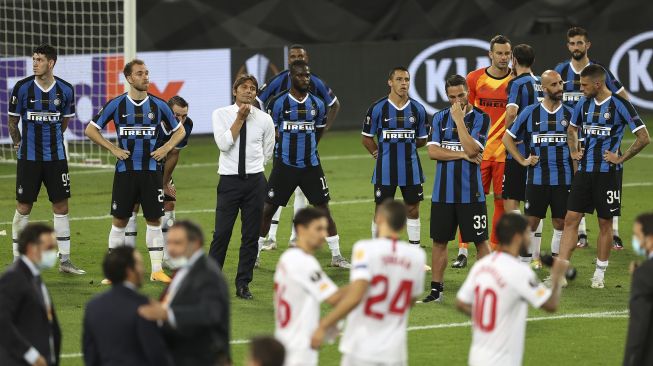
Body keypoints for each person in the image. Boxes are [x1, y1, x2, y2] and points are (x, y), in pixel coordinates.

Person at [85, 59, 186, 284]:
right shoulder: (117, 104)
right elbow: (91, 129)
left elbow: (179, 132)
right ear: (129, 78)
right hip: (125, 172)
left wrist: (165, 147)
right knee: (119, 221)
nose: (145, 77)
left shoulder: (159, 106)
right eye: (140, 73)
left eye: (147, 73)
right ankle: (114, 274)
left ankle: (157, 270)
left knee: (154, 221)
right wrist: (113, 148)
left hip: (151, 173)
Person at [559, 64, 650, 289]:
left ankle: (599, 274)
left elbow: (643, 137)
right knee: (571, 219)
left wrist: (620, 158)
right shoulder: (583, 103)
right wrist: (574, 152)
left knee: (604, 222)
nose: (581, 89)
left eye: (584, 85)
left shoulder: (620, 104)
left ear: (598, 84)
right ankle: (560, 272)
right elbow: (572, 129)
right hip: (585, 172)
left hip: (608, 174)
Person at [258, 60, 350, 269]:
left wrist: (307, 150)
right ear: (292, 77)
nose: (305, 79)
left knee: (323, 209)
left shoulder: (317, 104)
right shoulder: (278, 103)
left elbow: (318, 132)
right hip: (284, 166)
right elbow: (271, 133)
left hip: (311, 166)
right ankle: (254, 254)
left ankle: (336, 256)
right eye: (301, 76)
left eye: (307, 76)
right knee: (267, 210)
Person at [310, 200, 426, 366]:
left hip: (362, 348)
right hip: (395, 352)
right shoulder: (417, 257)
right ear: (402, 226)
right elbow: (411, 299)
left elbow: (357, 293)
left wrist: (324, 324)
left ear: (379, 218)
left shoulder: (365, 249)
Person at [8, 43, 84, 274]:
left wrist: (51, 140)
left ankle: (65, 261)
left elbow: (64, 123)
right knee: (23, 206)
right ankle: (18, 261)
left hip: (56, 158)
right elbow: (13, 122)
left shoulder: (65, 90)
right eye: (33, 59)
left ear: (51, 63)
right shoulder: (21, 88)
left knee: (61, 206)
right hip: (29, 158)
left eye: (39, 59)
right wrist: (19, 143)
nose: (35, 63)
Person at [455, 213, 569, 366]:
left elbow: (461, 303)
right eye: (526, 233)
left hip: (476, 358)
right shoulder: (519, 271)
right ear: (517, 237)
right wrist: (556, 277)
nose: (529, 238)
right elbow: (551, 305)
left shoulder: (482, 265)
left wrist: (487, 316)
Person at [554, 26, 629, 249]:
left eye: (580, 43)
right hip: (574, 138)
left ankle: (614, 232)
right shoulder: (560, 71)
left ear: (588, 45)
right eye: (572, 43)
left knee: (609, 183)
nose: (576, 47)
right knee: (577, 185)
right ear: (568, 46)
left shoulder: (598, 71)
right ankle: (582, 233)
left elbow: (623, 98)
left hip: (602, 139)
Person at [421, 74, 491, 303]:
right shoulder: (439, 118)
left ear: (468, 92)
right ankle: (436, 291)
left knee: (480, 241)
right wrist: (461, 154)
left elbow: (474, 150)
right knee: (439, 241)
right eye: (452, 97)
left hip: (472, 193)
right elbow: (433, 152)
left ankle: (485, 290)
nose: (457, 101)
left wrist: (460, 120)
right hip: (443, 193)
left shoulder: (481, 118)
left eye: (461, 95)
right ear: (447, 96)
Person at [209, 74, 275, 300]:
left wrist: (255, 169)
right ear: (234, 91)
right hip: (229, 181)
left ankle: (243, 284)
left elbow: (268, 151)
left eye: (253, 88)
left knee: (250, 236)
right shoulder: (221, 114)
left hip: (255, 182)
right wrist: (239, 119)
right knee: (222, 234)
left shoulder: (265, 119)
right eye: (244, 87)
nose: (249, 91)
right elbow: (224, 144)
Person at [503, 70, 573, 270]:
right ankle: (523, 267)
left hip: (564, 179)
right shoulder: (530, 112)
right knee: (531, 223)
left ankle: (556, 268)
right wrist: (523, 160)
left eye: (560, 83)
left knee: (560, 223)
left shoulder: (570, 113)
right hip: (536, 179)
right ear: (544, 88)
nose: (559, 88)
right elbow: (507, 139)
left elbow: (578, 146)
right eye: (554, 85)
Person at [138, 220, 231, 366]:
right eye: (169, 243)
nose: (171, 249)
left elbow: (211, 313)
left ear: (196, 243)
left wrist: (167, 314)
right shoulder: (184, 269)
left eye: (178, 243)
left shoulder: (208, 274)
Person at [361, 67, 428, 248]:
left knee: (413, 209)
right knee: (381, 210)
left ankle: (415, 250)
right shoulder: (377, 108)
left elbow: (422, 139)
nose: (403, 83)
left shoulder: (418, 109)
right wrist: (378, 154)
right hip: (385, 170)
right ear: (390, 82)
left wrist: (408, 146)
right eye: (399, 79)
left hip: (411, 169)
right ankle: (377, 250)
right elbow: (366, 138)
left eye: (406, 79)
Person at [273, 208, 345, 366]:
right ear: (300, 229)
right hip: (298, 352)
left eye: (325, 229)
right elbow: (335, 299)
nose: (324, 235)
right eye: (318, 229)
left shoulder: (287, 258)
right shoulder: (304, 263)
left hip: (285, 342)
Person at [462, 35, 512, 258]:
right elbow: (467, 114)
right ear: (490, 54)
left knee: (501, 200)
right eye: (499, 53)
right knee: (472, 198)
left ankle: (495, 246)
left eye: (507, 54)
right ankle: (463, 248)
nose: (504, 57)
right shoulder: (474, 79)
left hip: (505, 153)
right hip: (479, 152)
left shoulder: (518, 81)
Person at [125, 96, 194, 254]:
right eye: (177, 115)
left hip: (160, 167)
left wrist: (165, 182)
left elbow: (174, 153)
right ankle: (128, 255)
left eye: (184, 116)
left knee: (169, 203)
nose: (181, 120)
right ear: (167, 112)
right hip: (137, 165)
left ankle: (168, 256)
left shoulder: (186, 126)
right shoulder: (152, 122)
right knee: (133, 207)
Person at [82, 246, 173, 366]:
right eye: (140, 265)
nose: (143, 269)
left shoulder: (93, 306)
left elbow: (89, 352)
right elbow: (156, 354)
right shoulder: (144, 307)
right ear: (130, 271)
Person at [503, 44, 545, 268]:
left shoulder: (517, 83)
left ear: (514, 60)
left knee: (512, 200)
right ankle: (536, 257)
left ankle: (519, 254)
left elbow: (511, 112)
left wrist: (510, 133)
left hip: (519, 150)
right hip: (539, 150)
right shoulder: (541, 81)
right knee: (534, 205)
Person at [0, 223, 61, 366]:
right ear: (31, 248)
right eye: (49, 248)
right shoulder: (13, 278)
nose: (54, 253)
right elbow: (2, 323)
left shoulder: (34, 277)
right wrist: (32, 356)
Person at [623, 212, 653, 366]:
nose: (636, 241)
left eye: (637, 235)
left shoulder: (644, 274)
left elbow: (639, 326)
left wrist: (630, 361)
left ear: (650, 239)